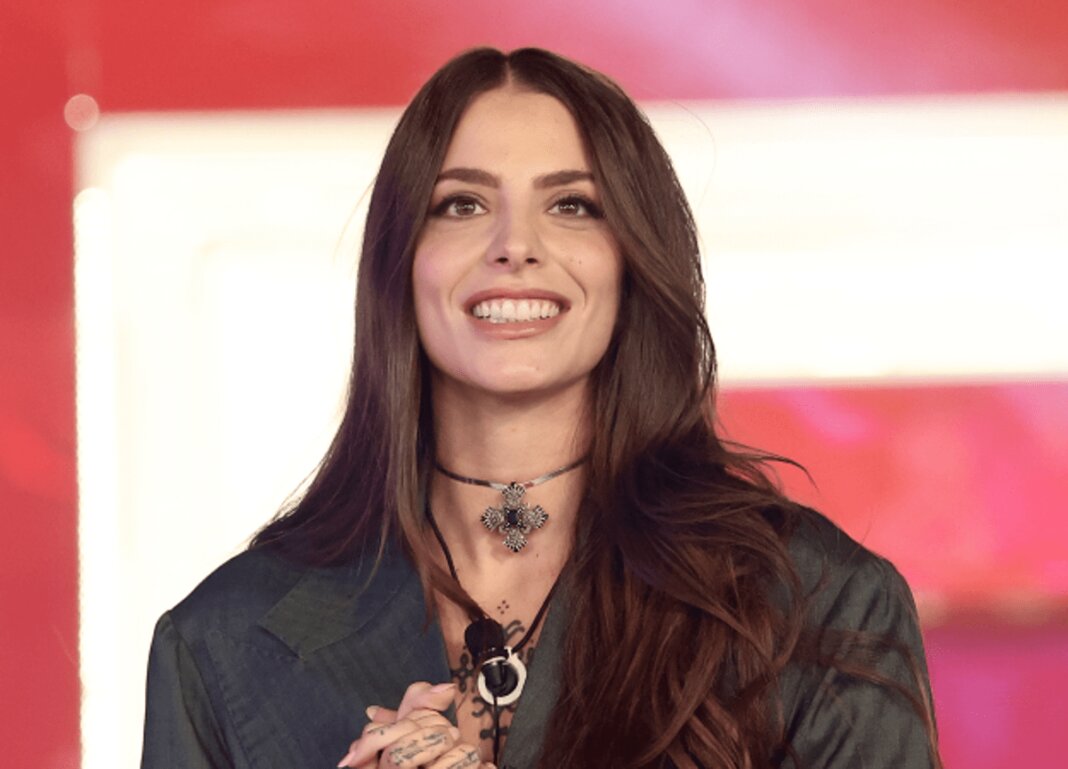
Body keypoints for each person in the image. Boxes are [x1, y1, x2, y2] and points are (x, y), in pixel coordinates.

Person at [141, 47, 940, 769]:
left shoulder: (816, 605)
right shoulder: (221, 642)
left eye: (572, 205)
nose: (514, 244)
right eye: (461, 204)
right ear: (401, 261)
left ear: (632, 258)